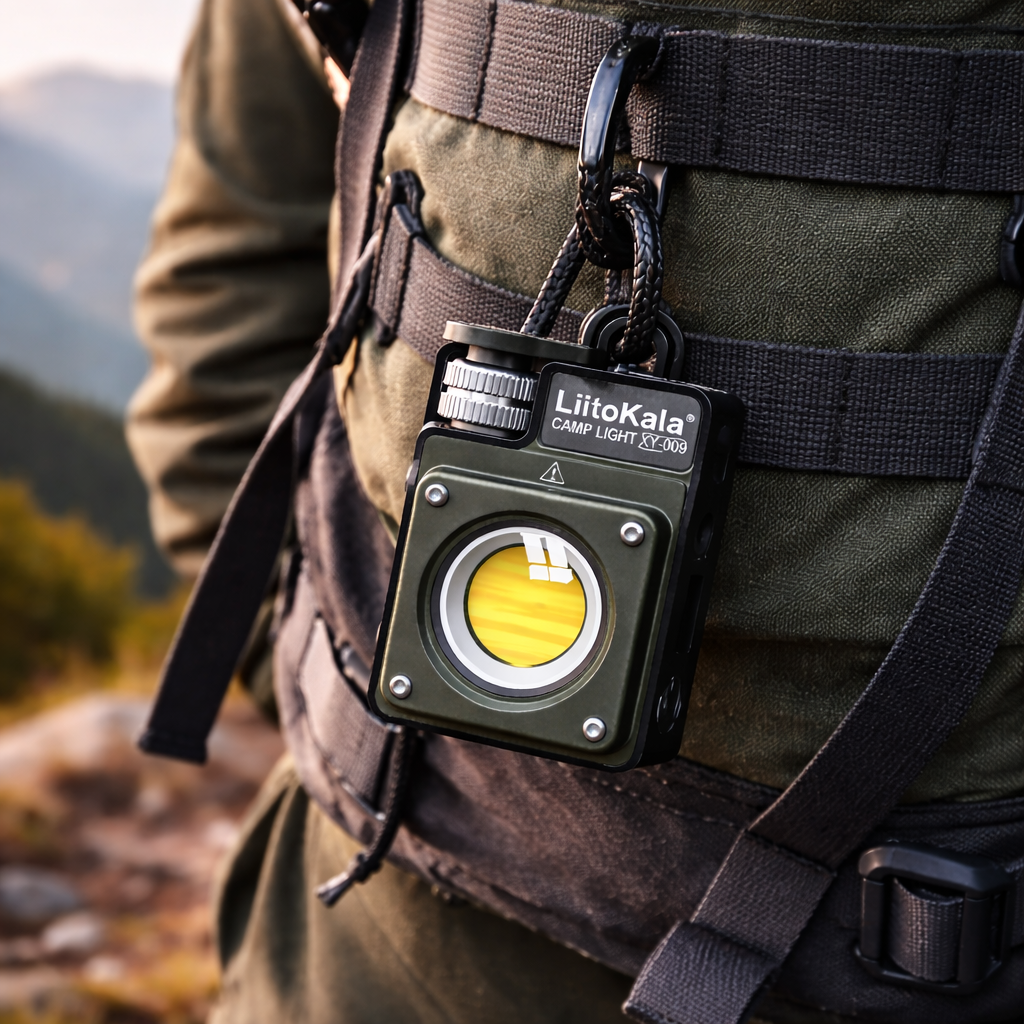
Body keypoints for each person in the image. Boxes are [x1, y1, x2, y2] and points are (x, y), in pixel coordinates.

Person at [128, 0, 1024, 1021]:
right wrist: (338, 691)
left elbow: (224, 313)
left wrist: (349, 694)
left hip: (379, 919)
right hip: (408, 897)